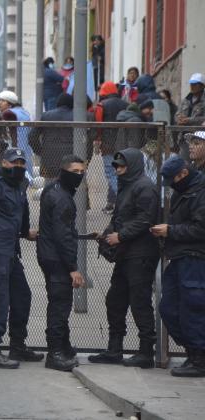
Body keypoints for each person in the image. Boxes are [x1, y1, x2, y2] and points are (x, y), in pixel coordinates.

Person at [89, 148, 159, 368]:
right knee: (115, 301)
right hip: (126, 254)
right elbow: (120, 216)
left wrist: (120, 235)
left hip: (141, 254)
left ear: (133, 166)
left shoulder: (145, 187)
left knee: (140, 303)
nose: (118, 170)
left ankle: (146, 351)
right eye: (116, 166)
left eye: (121, 166)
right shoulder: (128, 186)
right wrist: (109, 233)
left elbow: (145, 219)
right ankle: (114, 348)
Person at [0, 148, 42, 369]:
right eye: (14, 163)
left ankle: (17, 345)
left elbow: (21, 212)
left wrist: (25, 232)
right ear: (3, 162)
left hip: (11, 251)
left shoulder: (20, 184)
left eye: (22, 163)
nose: (18, 167)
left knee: (22, 296)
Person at [152, 156, 205, 377]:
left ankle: (199, 358)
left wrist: (171, 231)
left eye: (173, 179)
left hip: (195, 259)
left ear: (183, 174)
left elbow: (200, 229)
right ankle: (194, 353)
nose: (171, 185)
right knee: (169, 308)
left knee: (192, 308)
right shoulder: (185, 190)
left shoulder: (199, 192)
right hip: (181, 257)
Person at [37, 155, 87, 371]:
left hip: (49, 256)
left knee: (58, 303)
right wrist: (73, 268)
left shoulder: (53, 189)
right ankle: (55, 353)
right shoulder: (62, 198)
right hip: (57, 259)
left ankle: (63, 347)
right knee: (60, 306)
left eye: (81, 172)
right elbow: (63, 235)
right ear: (64, 171)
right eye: (75, 171)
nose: (80, 175)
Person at [95, 81, 129, 213]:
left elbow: (98, 125)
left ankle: (124, 201)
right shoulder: (126, 104)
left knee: (111, 173)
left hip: (108, 145)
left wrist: (98, 140)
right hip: (124, 144)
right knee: (120, 172)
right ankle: (112, 202)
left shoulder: (102, 105)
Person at [29, 93, 74, 179]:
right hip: (70, 157)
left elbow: (32, 136)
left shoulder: (46, 115)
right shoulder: (76, 117)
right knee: (69, 185)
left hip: (48, 158)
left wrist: (39, 151)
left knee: (49, 186)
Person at [0, 91, 35, 183]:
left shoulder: (8, 114)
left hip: (15, 146)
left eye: (3, 101)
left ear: (10, 103)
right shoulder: (24, 112)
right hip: (27, 146)